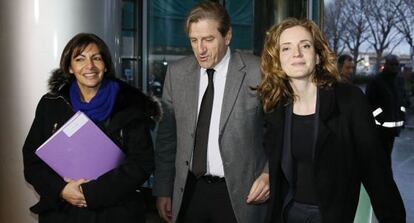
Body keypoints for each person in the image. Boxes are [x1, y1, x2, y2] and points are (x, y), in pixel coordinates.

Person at [257, 18, 405, 223]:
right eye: (286, 48)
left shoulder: (348, 100)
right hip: (287, 213)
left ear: (317, 56)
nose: (297, 54)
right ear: (277, 60)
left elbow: (376, 171)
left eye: (305, 46)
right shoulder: (275, 105)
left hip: (330, 216)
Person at [23, 33, 160, 223]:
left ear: (105, 65)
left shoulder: (130, 105)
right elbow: (32, 160)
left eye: (96, 58)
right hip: (62, 213)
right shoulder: (51, 104)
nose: (90, 66)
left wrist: (91, 193)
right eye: (80, 59)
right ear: (70, 67)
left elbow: (142, 162)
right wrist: (62, 190)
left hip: (115, 213)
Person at [153, 1, 268, 223]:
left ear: (227, 36)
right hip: (189, 192)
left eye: (208, 39)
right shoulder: (177, 73)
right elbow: (167, 139)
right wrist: (163, 189)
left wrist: (269, 173)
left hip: (240, 194)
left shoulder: (257, 71)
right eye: (194, 40)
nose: (200, 49)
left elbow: (278, 131)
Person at [366, 55, 407, 163]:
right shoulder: (376, 81)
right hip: (380, 130)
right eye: (391, 64)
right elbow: (370, 104)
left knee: (386, 158)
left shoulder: (399, 81)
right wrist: (381, 118)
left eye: (396, 64)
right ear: (386, 64)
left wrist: (402, 116)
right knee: (381, 159)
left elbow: (402, 101)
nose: (394, 67)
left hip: (393, 130)